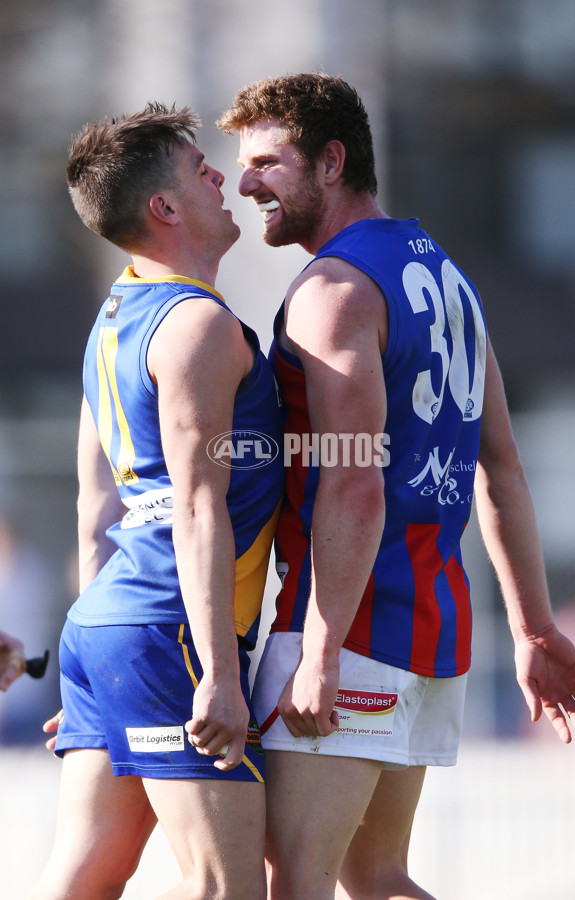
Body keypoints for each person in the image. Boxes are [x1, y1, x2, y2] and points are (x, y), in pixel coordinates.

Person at [217, 74, 575, 900]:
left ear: (331, 161)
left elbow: (354, 487)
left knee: (295, 880)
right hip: (432, 628)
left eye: (266, 162)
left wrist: (319, 654)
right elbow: (502, 465)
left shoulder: (332, 292)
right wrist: (531, 630)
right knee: (374, 875)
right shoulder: (447, 275)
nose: (247, 183)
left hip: (352, 630)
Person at [28, 102, 283, 900]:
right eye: (201, 170)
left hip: (108, 622)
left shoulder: (112, 318)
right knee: (225, 886)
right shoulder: (198, 325)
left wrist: (94, 661)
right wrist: (217, 672)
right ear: (164, 208)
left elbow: (94, 504)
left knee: (85, 874)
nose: (222, 177)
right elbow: (199, 507)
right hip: (171, 630)